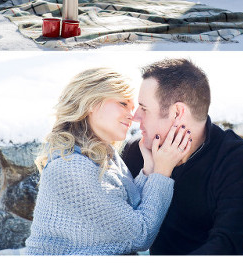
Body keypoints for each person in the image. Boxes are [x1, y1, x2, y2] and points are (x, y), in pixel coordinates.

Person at [121, 58, 243, 255]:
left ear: (177, 112)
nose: (135, 117)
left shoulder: (240, 163)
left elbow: (228, 247)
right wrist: (151, 174)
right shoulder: (136, 154)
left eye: (144, 109)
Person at [25, 68, 191, 255]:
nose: (133, 115)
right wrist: (162, 172)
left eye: (133, 107)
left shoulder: (102, 154)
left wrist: (149, 169)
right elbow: (139, 235)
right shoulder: (70, 167)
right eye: (123, 103)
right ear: (91, 103)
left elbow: (129, 210)